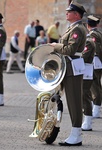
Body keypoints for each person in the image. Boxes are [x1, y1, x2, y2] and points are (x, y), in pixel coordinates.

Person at [50, 1, 87, 146]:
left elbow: (70, 50)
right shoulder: (73, 28)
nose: (66, 13)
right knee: (69, 100)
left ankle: (76, 134)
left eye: (69, 11)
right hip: (69, 68)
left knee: (74, 102)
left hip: (73, 69)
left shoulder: (77, 29)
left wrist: (55, 46)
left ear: (76, 14)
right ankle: (73, 132)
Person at [81, 23, 96, 131]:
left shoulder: (88, 41)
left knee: (85, 95)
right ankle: (86, 119)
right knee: (83, 95)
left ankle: (88, 121)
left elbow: (84, 56)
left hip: (85, 70)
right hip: (83, 70)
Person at [88, 16, 102, 118]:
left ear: (87, 25)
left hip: (95, 62)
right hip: (97, 62)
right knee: (96, 85)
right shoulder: (98, 33)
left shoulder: (93, 34)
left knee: (94, 85)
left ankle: (96, 109)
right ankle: (96, 107)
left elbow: (97, 50)